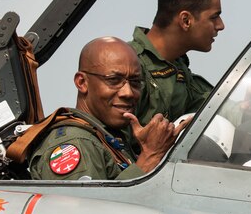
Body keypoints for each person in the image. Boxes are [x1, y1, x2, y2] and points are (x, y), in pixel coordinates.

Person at [25, 37, 178, 181]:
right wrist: (151, 155)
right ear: (82, 82)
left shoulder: (106, 137)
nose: (129, 92)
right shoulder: (76, 143)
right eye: (113, 80)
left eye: (136, 82)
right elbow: (83, 209)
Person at [130, 0, 224, 124]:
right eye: (214, 17)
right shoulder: (128, 67)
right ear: (186, 20)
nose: (221, 26)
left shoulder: (178, 68)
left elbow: (213, 108)